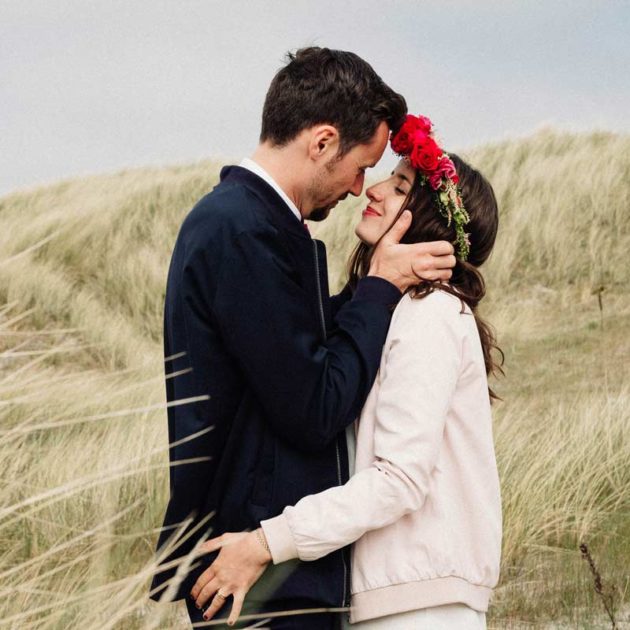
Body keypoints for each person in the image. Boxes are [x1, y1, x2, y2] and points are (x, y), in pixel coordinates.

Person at [149, 48, 456, 629]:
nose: (360, 187)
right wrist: (382, 286)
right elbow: (315, 404)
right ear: (321, 142)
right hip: (255, 577)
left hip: (266, 570)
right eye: (362, 165)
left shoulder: (251, 224)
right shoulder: (243, 231)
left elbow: (292, 352)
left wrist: (374, 287)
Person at [190, 114, 503, 629]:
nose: (374, 190)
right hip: (395, 594)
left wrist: (267, 542)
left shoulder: (432, 313)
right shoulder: (394, 309)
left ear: (427, 221)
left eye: (400, 185)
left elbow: (399, 479)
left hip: (418, 603)